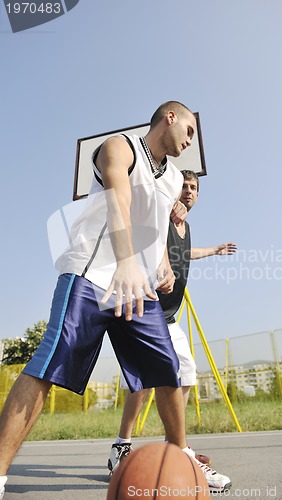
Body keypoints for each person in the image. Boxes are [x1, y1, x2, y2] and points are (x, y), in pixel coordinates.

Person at [0, 102, 230, 498]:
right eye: (190, 130)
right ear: (170, 117)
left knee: (167, 367)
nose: (191, 140)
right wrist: (125, 261)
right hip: (93, 274)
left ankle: (183, 455)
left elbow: (155, 227)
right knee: (49, 365)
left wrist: (161, 264)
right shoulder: (119, 147)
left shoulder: (174, 177)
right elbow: (119, 200)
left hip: (137, 285)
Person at [108, 170, 237, 486]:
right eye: (184, 186)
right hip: (147, 307)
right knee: (145, 384)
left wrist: (216, 251)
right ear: (172, 189)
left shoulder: (185, 227)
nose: (189, 191)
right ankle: (132, 446)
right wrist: (167, 205)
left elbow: (185, 254)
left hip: (169, 317)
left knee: (186, 371)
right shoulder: (161, 212)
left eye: (194, 187)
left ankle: (172, 444)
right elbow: (143, 221)